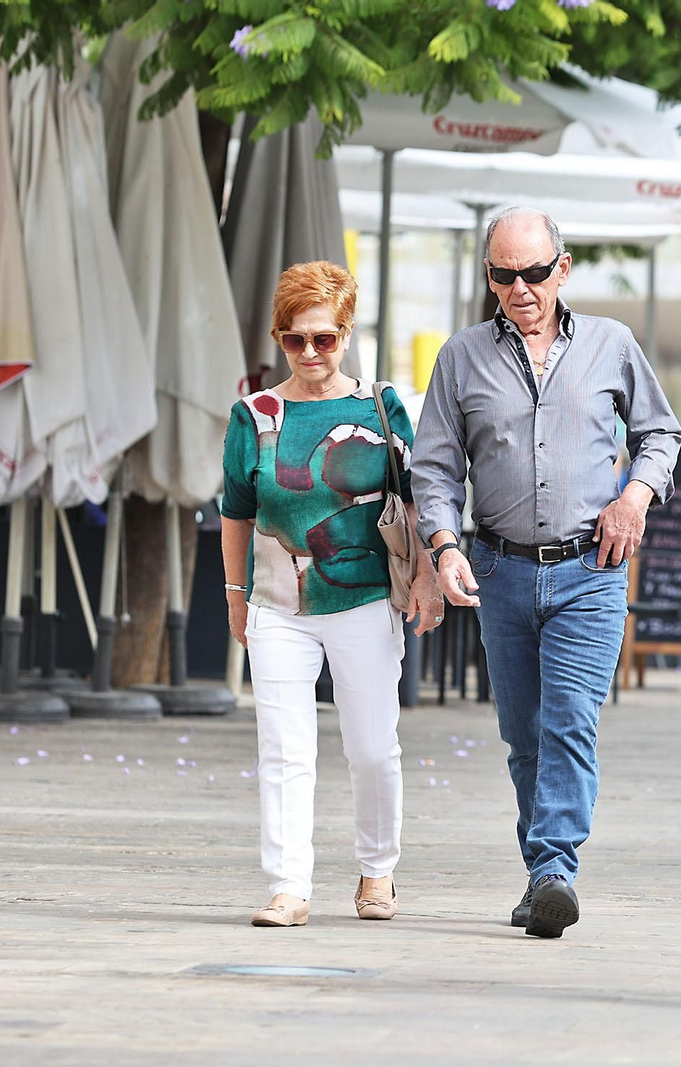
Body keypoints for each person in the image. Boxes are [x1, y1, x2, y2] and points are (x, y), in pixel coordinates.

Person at [411, 207, 681, 939]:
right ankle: (542, 875)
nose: (522, 287)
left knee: (569, 720)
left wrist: (635, 495)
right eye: (505, 274)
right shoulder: (461, 357)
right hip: (498, 566)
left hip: (589, 568)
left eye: (535, 271)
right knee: (523, 733)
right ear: (489, 277)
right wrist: (444, 545)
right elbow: (433, 466)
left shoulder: (611, 344)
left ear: (562, 268)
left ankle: (556, 866)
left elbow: (660, 433)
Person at [221, 261, 443, 928]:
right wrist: (236, 595)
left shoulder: (380, 406)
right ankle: (289, 883)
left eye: (325, 338)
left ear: (348, 332)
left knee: (373, 745)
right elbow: (235, 510)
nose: (311, 353)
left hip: (367, 597)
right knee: (284, 747)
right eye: (296, 339)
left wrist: (428, 575)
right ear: (277, 338)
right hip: (277, 605)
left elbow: (417, 497)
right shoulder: (254, 415)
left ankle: (378, 868)